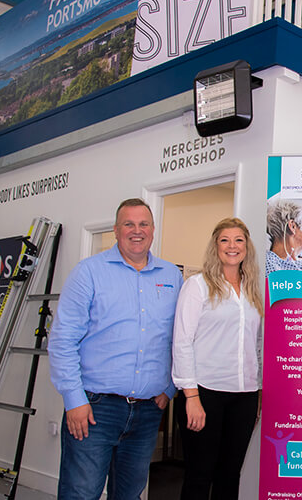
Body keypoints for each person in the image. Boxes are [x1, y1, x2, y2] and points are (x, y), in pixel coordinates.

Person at [48, 198, 182, 499]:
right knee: (81, 493)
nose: (137, 231)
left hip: (148, 410)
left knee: (129, 495)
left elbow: (179, 338)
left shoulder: (171, 276)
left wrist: (170, 387)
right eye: (129, 224)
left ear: (153, 229)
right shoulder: (88, 272)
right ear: (116, 230)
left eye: (143, 224)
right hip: (94, 408)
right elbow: (62, 340)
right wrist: (74, 400)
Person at [172, 217, 264, 499]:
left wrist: (259, 389)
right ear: (215, 246)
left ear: (247, 247)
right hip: (204, 394)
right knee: (200, 475)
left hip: (245, 395)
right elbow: (182, 341)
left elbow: (257, 344)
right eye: (225, 240)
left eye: (238, 240)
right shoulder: (198, 285)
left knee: (230, 475)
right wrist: (191, 397)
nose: (232, 246)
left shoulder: (253, 289)